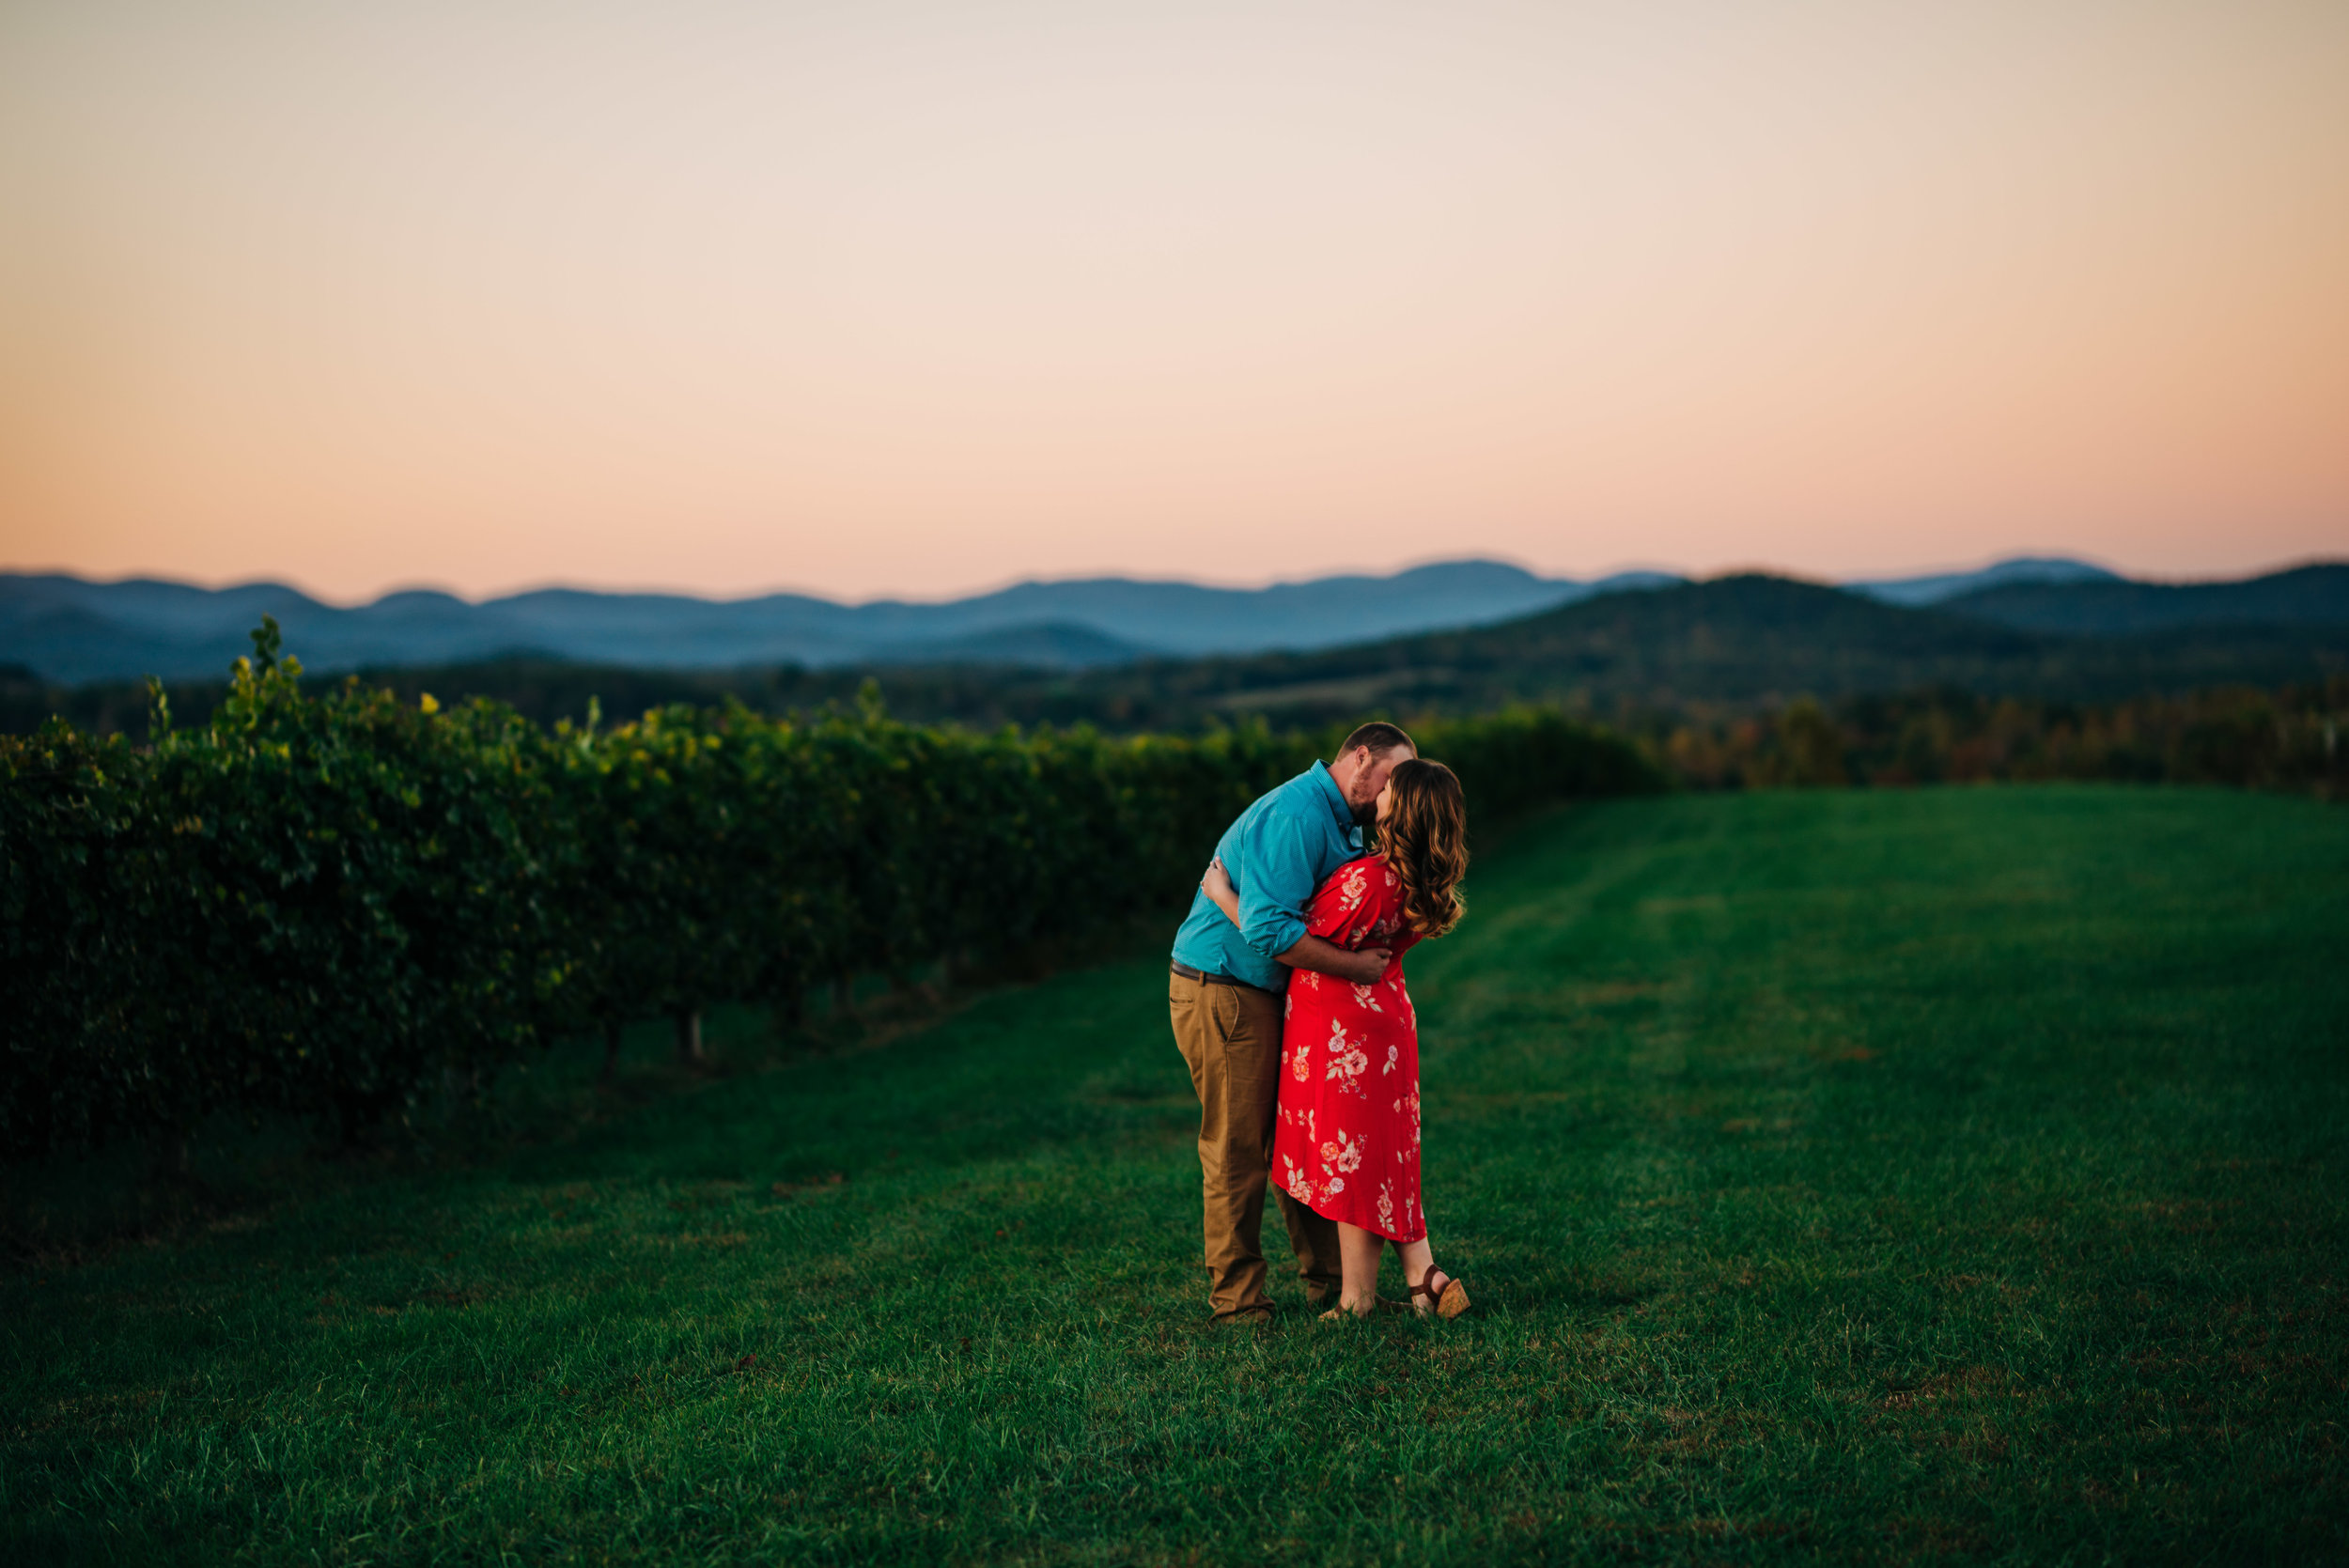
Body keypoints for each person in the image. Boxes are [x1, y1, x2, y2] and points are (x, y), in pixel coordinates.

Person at [1199, 756, 1471, 1321]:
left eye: (1394, 787)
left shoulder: (1369, 881)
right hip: (1385, 1023)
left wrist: (1221, 893)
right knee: (1380, 1155)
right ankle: (1421, 1277)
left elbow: (1281, 933)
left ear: (1404, 808)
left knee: (1351, 1160)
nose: (1383, 790)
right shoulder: (1415, 877)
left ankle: (1358, 1299)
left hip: (1344, 1033)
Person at [1167, 722, 1416, 1323]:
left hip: (1270, 992)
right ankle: (1237, 1304)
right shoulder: (1297, 815)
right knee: (1237, 1149)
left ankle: (1337, 1286)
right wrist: (1356, 967)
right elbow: (1270, 930)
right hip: (1226, 988)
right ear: (1361, 758)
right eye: (1392, 776)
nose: (1395, 791)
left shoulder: (1342, 820)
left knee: (1301, 1140)